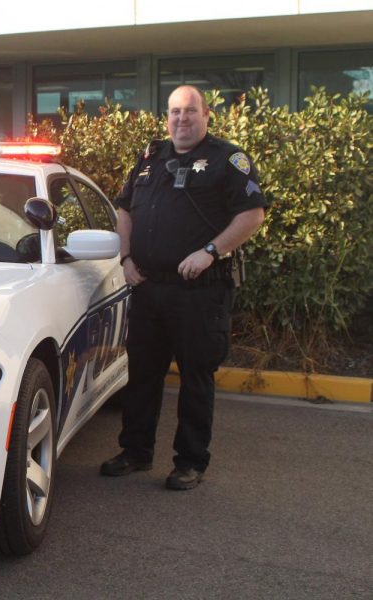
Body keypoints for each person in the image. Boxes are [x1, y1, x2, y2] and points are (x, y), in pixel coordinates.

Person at [101, 85, 267, 490]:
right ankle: (136, 452)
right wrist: (125, 260)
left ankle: (190, 463)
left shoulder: (227, 159)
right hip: (149, 288)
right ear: (167, 116)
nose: (181, 119)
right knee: (141, 376)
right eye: (175, 112)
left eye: (190, 112)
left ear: (206, 115)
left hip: (200, 292)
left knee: (196, 378)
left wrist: (211, 250)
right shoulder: (150, 159)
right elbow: (125, 210)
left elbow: (253, 214)